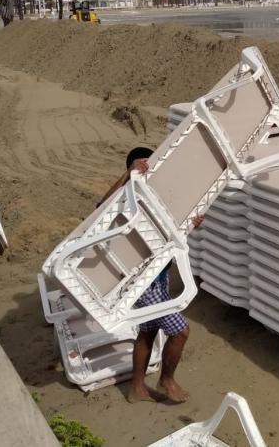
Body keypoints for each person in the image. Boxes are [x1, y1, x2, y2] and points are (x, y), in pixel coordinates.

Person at [100, 146, 201, 404]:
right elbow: (100, 209)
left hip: (159, 274)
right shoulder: (125, 196)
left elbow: (170, 230)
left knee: (148, 331)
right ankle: (166, 380)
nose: (148, 169)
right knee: (180, 331)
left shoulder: (152, 195)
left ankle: (137, 389)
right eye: (143, 165)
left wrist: (192, 224)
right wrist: (128, 175)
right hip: (140, 279)